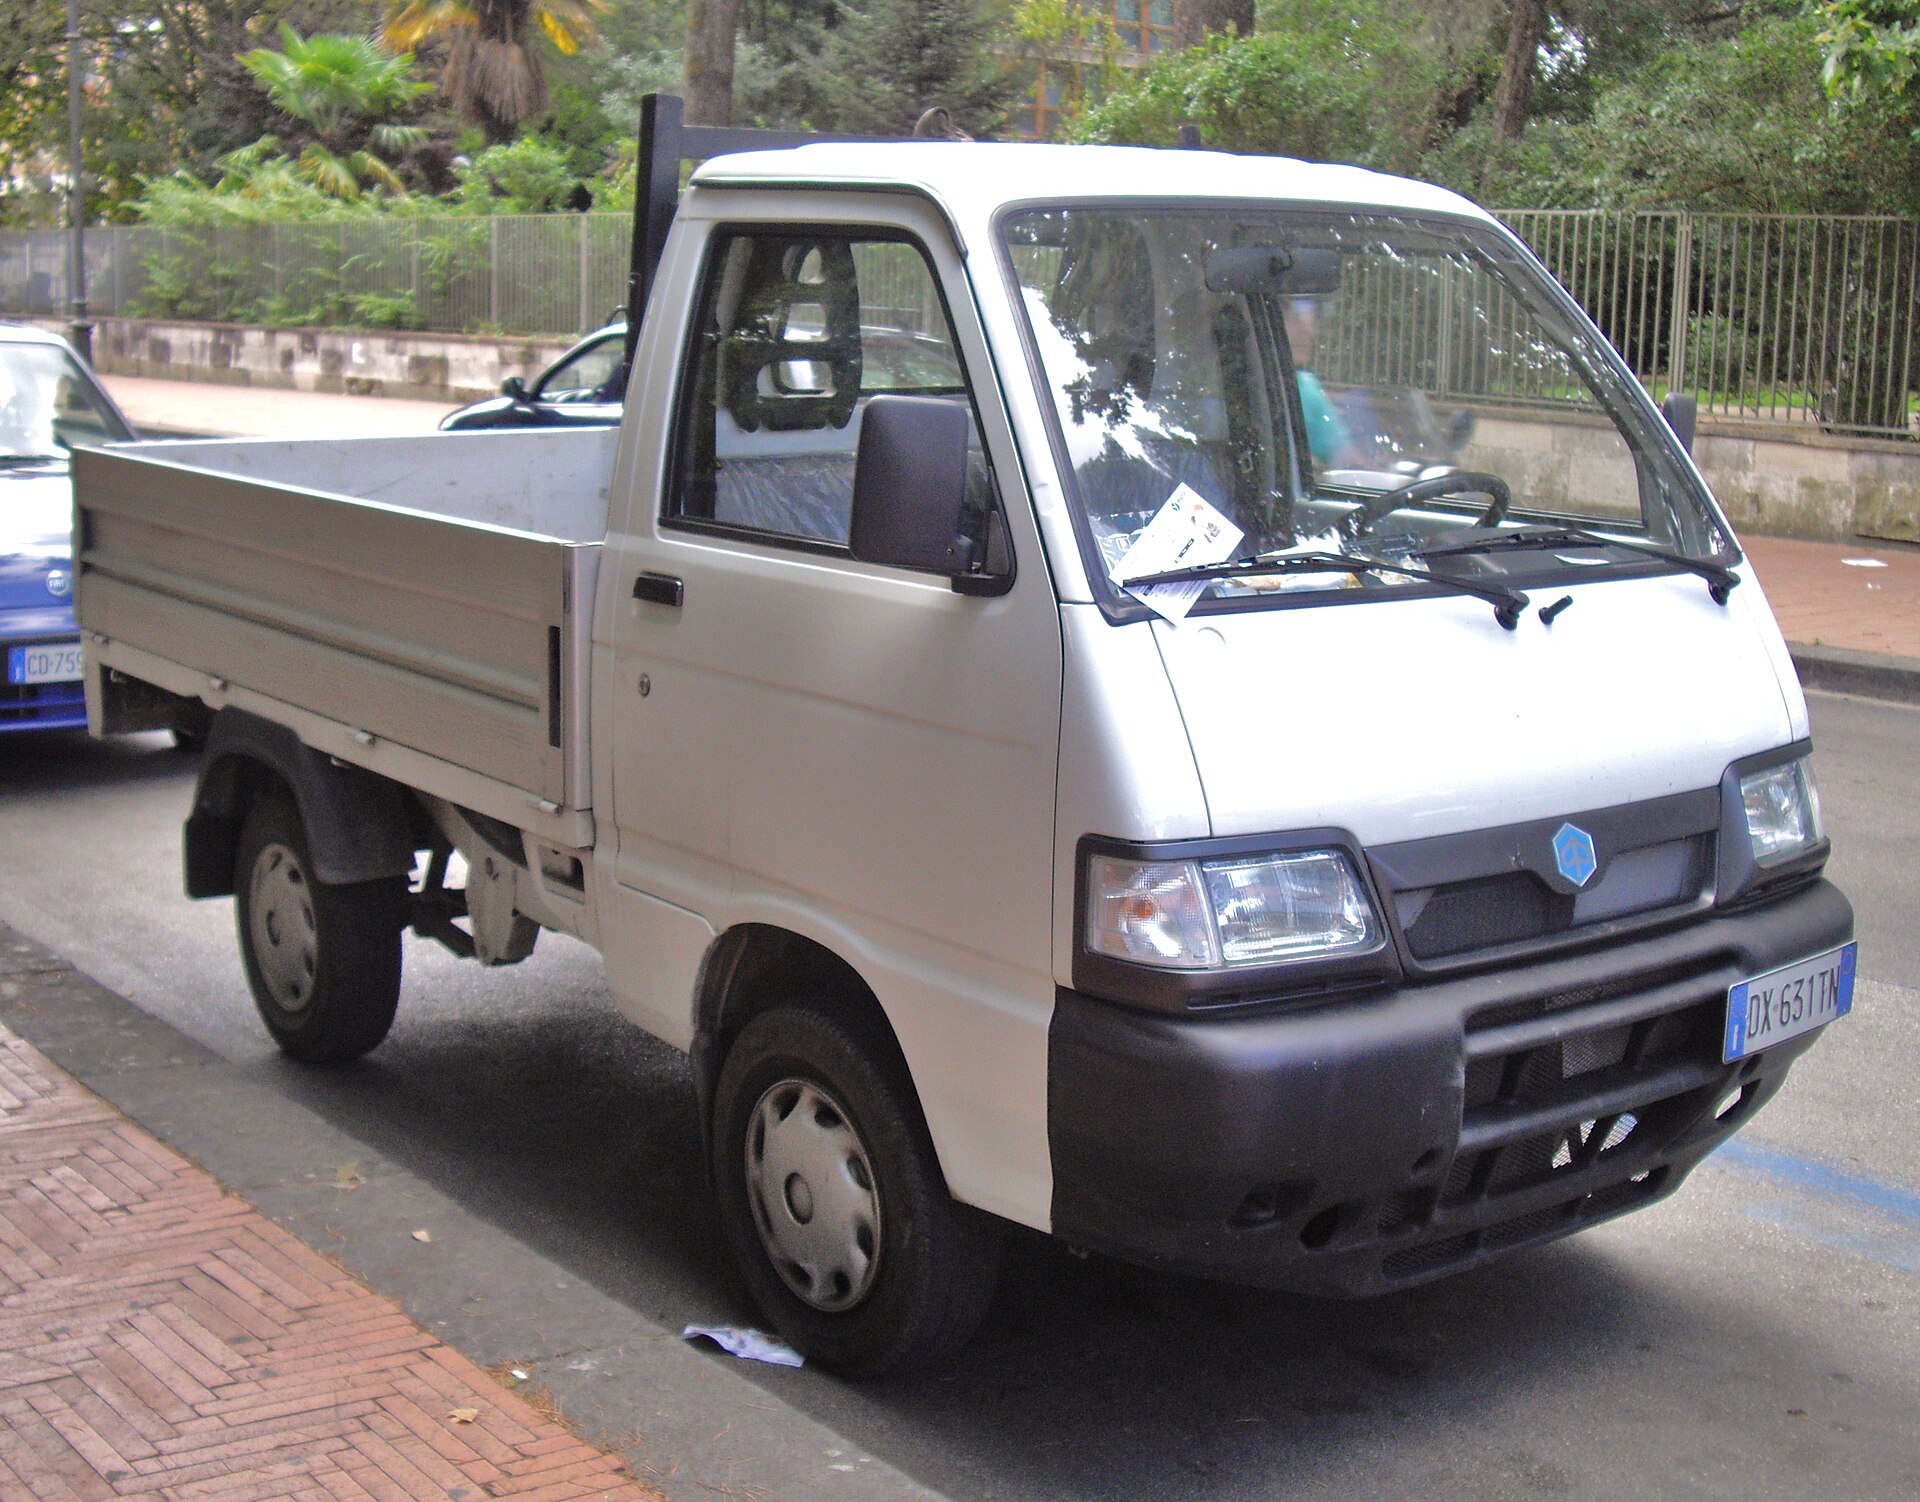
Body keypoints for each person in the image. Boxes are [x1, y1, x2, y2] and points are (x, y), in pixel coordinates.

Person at [1282, 297, 1355, 467]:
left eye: (1310, 317)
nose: (1305, 329)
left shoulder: (1305, 388)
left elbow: (1346, 460)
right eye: (1293, 318)